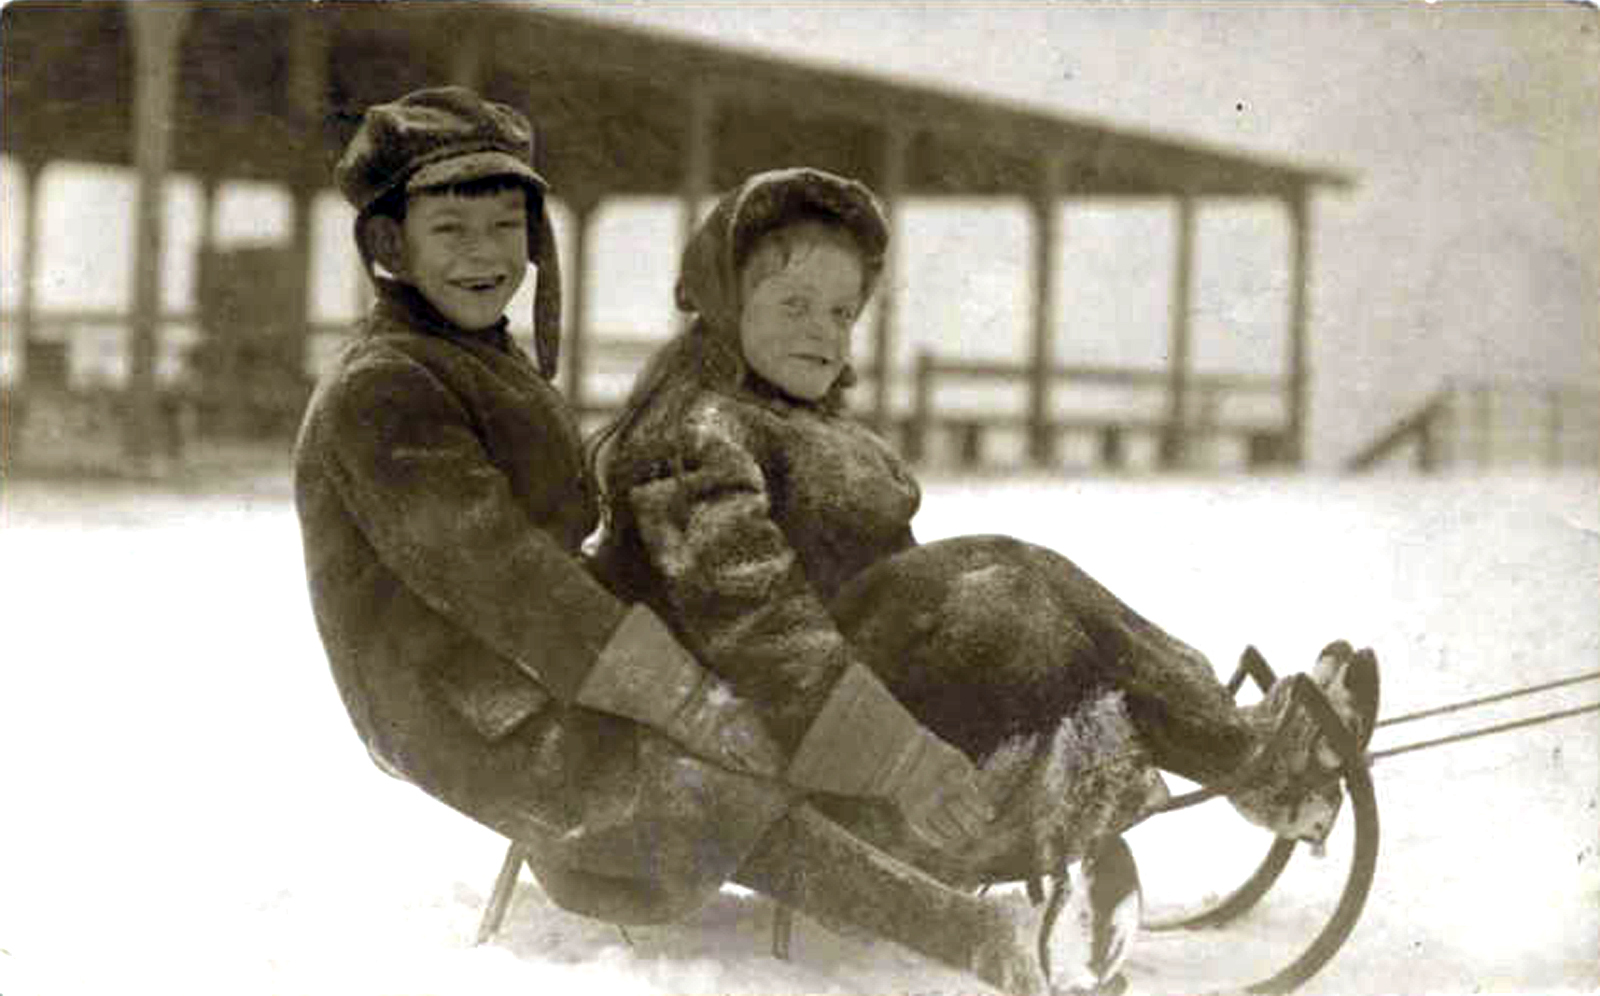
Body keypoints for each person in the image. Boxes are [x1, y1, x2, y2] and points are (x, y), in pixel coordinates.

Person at [294, 88, 1103, 996]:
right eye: (452, 231)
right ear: (391, 248)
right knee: (697, 779)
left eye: (504, 227)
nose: (485, 256)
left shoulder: (475, 356)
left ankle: (924, 837)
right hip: (456, 690)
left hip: (540, 653)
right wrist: (682, 697)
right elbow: (509, 583)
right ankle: (979, 937)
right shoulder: (385, 389)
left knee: (756, 700)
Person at [588, 165, 1381, 967]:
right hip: (777, 737)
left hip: (844, 706)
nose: (822, 331)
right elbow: (758, 629)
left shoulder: (785, 419)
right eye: (793, 306)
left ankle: (1237, 754)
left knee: (1024, 586)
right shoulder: (694, 436)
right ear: (724, 305)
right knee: (1005, 578)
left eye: (840, 312)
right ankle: (1245, 760)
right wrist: (899, 742)